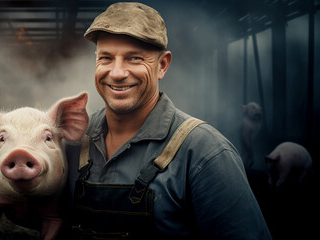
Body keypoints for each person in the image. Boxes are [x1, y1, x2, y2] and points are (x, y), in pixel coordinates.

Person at [63, 2, 272, 239]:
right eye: (106, 58)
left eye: (134, 58)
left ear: (162, 65)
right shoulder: (72, 141)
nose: (118, 73)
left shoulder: (205, 153)